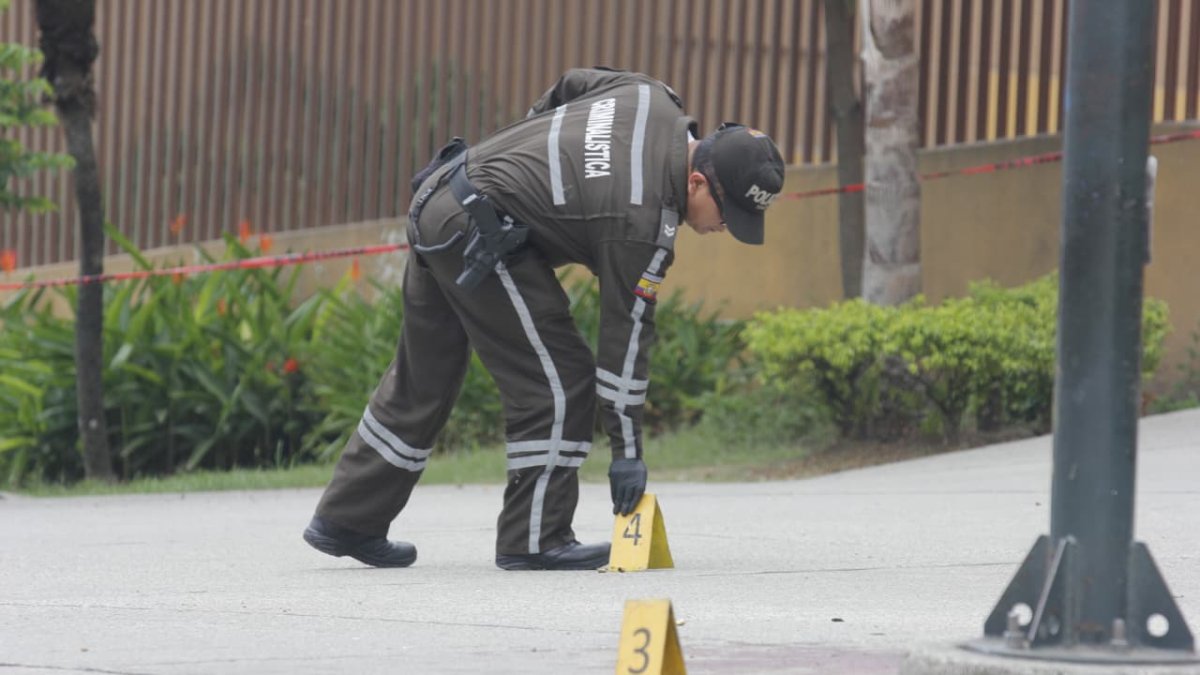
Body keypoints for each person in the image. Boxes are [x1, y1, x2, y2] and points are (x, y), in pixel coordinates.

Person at [303, 67, 785, 570]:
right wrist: (628, 455)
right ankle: (535, 538)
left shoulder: (650, 97)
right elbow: (625, 339)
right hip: (479, 228)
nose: (724, 230)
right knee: (559, 379)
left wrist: (519, 156)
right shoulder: (639, 221)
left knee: (425, 374)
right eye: (728, 217)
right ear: (697, 180)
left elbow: (571, 83)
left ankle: (346, 520)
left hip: (443, 193)